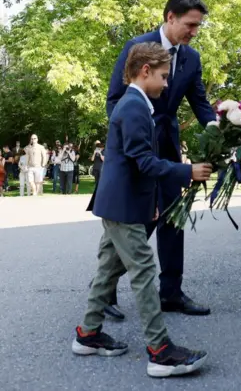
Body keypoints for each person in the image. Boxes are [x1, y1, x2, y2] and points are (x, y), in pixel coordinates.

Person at [75, 42, 211, 377]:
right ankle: (160, 351)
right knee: (145, 272)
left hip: (120, 204)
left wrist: (150, 203)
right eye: (164, 77)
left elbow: (134, 166)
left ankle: (88, 335)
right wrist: (186, 171)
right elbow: (145, 162)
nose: (167, 84)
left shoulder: (136, 104)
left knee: (108, 270)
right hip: (122, 207)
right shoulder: (134, 107)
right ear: (145, 71)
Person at [102, 0, 216, 317]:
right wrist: (133, 140)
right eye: (190, 25)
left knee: (172, 219)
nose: (194, 32)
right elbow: (114, 101)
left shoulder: (191, 58)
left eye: (198, 26)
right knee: (134, 222)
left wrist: (220, 130)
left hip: (169, 148)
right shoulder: (137, 47)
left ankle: (171, 293)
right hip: (137, 150)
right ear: (170, 17)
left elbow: (200, 104)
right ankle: (106, 293)